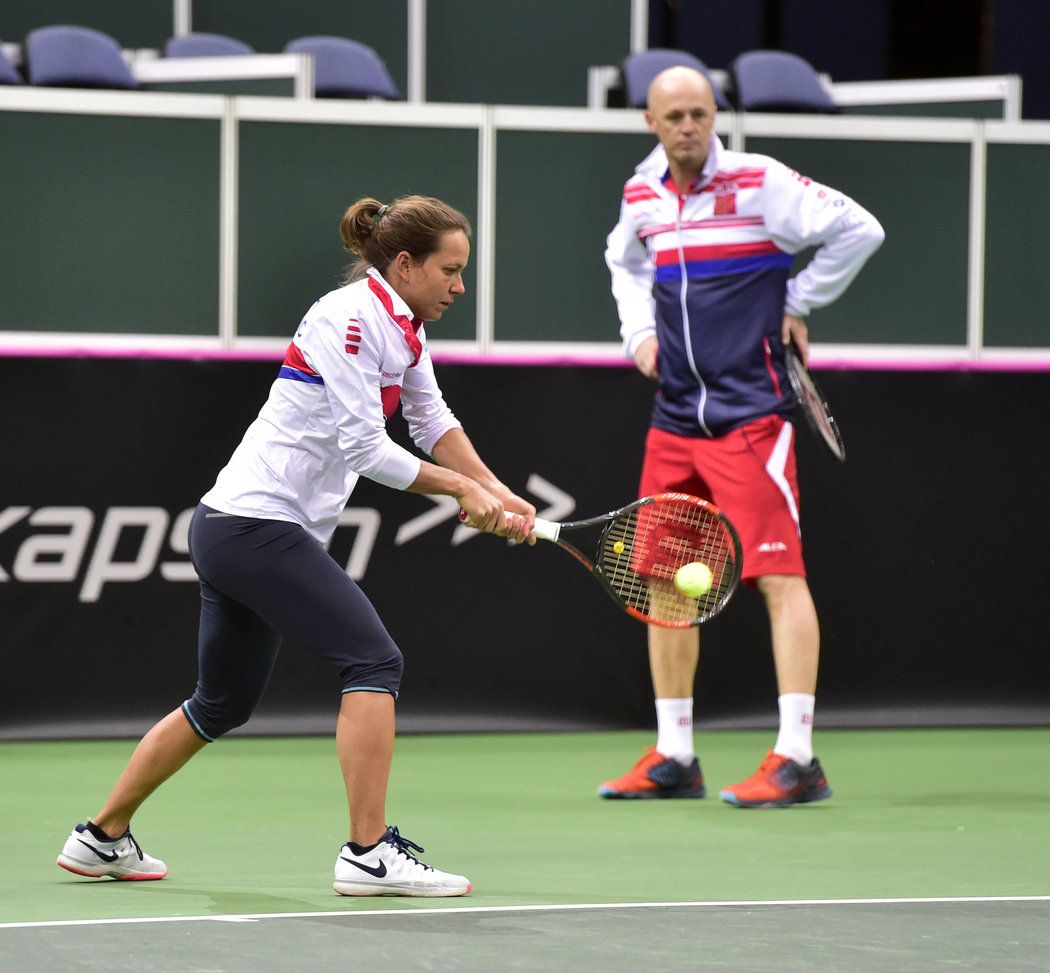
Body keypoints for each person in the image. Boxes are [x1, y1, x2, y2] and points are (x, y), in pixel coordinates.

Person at [56, 194, 536, 895]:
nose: (460, 286)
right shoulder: (344, 317)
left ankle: (100, 837)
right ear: (404, 264)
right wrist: (462, 493)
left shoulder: (404, 327)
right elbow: (366, 447)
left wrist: (496, 487)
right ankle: (368, 853)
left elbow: (432, 419)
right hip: (254, 527)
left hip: (237, 528)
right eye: (450, 270)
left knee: (221, 702)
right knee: (374, 659)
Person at [600, 66, 884, 807]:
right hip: (674, 416)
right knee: (663, 578)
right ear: (651, 123)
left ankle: (798, 758)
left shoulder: (761, 182)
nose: (688, 126)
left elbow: (861, 228)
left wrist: (798, 299)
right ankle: (675, 754)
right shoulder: (642, 192)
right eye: (674, 116)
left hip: (751, 413)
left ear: (715, 114)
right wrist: (637, 333)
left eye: (700, 113)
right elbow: (622, 261)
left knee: (778, 578)